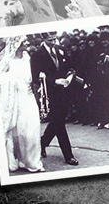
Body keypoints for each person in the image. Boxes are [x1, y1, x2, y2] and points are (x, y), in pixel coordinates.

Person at [0, 35, 45, 173]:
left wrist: (40, 76)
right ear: (17, 44)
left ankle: (33, 162)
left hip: (28, 96)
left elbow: (32, 75)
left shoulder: (27, 57)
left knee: (32, 128)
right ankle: (16, 160)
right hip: (14, 100)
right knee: (16, 131)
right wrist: (10, 78)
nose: (27, 43)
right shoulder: (8, 60)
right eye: (24, 41)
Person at [30, 32, 79, 166]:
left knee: (57, 121)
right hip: (49, 94)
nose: (53, 41)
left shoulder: (60, 50)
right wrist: (54, 81)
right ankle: (68, 155)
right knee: (59, 124)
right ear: (43, 39)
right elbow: (36, 77)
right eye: (50, 39)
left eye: (54, 38)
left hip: (63, 92)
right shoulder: (37, 55)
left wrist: (69, 75)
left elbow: (69, 66)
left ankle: (42, 143)